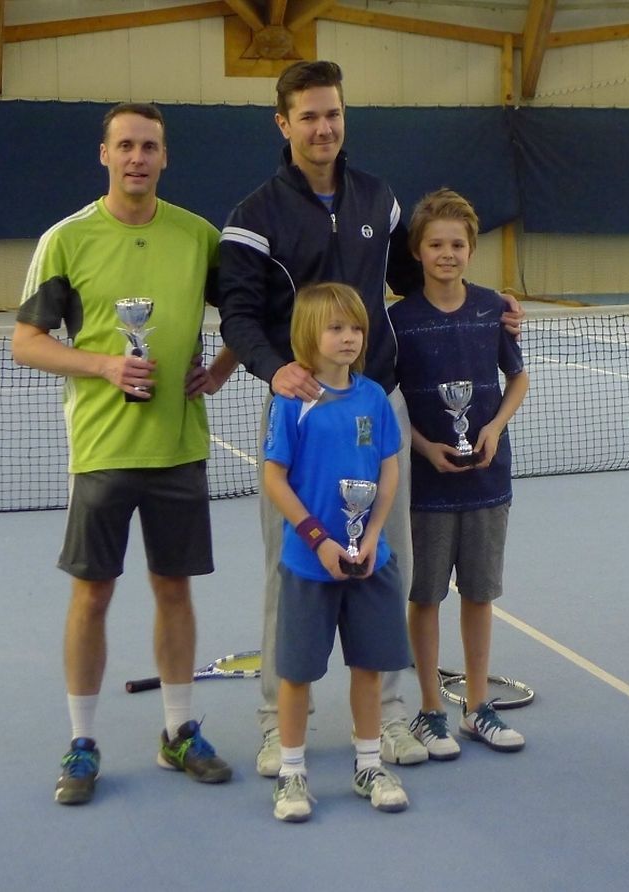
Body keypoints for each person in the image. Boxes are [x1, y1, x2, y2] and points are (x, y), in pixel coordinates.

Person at [218, 60, 523, 775]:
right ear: (284, 124)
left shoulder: (379, 198)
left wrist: (489, 304)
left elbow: (417, 279)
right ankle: (278, 728)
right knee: (291, 569)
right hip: (300, 408)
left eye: (333, 113)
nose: (323, 127)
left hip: (378, 401)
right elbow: (237, 315)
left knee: (386, 564)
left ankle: (387, 718)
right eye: (309, 116)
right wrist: (275, 369)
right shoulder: (254, 216)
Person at [11, 102, 236, 805]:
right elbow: (26, 341)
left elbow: (250, 313)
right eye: (126, 145)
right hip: (102, 451)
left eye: (150, 147)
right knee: (93, 594)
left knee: (174, 590)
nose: (138, 157)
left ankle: (177, 732)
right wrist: (105, 365)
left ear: (165, 157)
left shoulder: (198, 237)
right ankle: (82, 742)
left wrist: (220, 369)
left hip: (178, 447)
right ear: (104, 154)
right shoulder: (67, 240)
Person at [389, 188, 529, 758]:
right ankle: (429, 710)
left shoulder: (493, 308)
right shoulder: (398, 321)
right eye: (435, 244)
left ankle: (476, 707)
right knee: (424, 597)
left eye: (457, 244)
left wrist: (492, 429)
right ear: (417, 252)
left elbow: (517, 378)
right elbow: (389, 398)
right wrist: (423, 448)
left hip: (487, 482)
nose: (447, 254)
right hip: (425, 487)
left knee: (478, 595)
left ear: (471, 249)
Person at [264, 281, 411, 821]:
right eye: (335, 328)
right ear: (309, 334)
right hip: (309, 564)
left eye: (355, 328)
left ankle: (369, 764)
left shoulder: (374, 397)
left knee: (368, 667)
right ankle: (292, 772)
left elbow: (389, 470)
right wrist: (319, 539)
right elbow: (275, 479)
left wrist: (370, 539)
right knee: (297, 674)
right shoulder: (292, 402)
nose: (348, 337)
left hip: (370, 561)